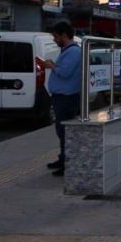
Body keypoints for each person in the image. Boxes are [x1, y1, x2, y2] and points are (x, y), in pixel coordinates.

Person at [40, 21, 82, 177]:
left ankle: (66, 163)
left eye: (56, 37)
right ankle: (63, 158)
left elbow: (64, 72)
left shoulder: (73, 52)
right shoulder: (68, 51)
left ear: (64, 35)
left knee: (64, 132)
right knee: (61, 131)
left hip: (66, 98)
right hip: (62, 97)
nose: (54, 40)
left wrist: (51, 66)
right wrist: (52, 65)